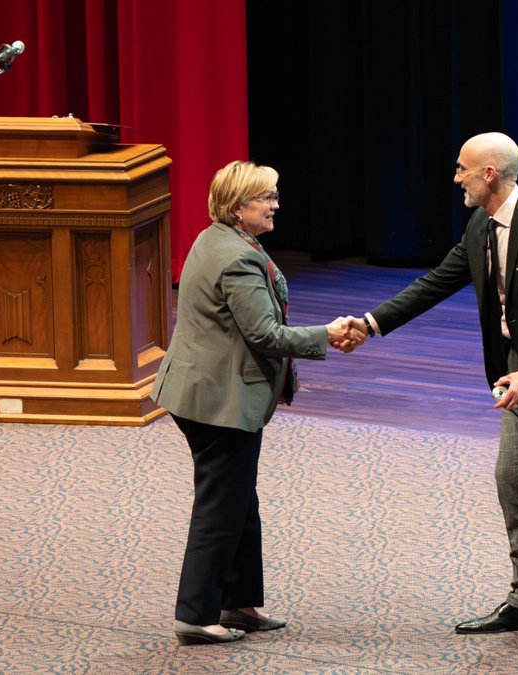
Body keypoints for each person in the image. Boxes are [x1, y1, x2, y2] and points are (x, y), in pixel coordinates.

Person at [345, 132, 518, 648]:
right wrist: (370, 323)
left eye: (462, 169)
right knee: (513, 481)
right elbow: (438, 280)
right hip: (513, 370)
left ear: (489, 173)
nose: (456, 178)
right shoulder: (481, 224)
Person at [152, 160, 361, 645]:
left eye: (275, 195)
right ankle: (196, 615)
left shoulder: (217, 238)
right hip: (217, 403)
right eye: (266, 197)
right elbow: (265, 335)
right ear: (238, 206)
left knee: (238, 501)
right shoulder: (239, 257)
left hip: (202, 391)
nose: (275, 205)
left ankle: (236, 604)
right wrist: (325, 335)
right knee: (221, 505)